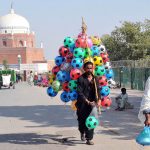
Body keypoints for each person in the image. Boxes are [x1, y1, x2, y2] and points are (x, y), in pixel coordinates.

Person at [76, 61, 101, 145]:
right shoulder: (80, 79)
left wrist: (99, 100)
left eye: (91, 68)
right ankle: (82, 132)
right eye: (88, 68)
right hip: (82, 104)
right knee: (82, 121)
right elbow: (79, 92)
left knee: (91, 120)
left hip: (92, 104)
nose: (89, 70)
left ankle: (89, 139)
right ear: (84, 69)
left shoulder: (95, 78)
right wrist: (87, 101)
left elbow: (98, 91)